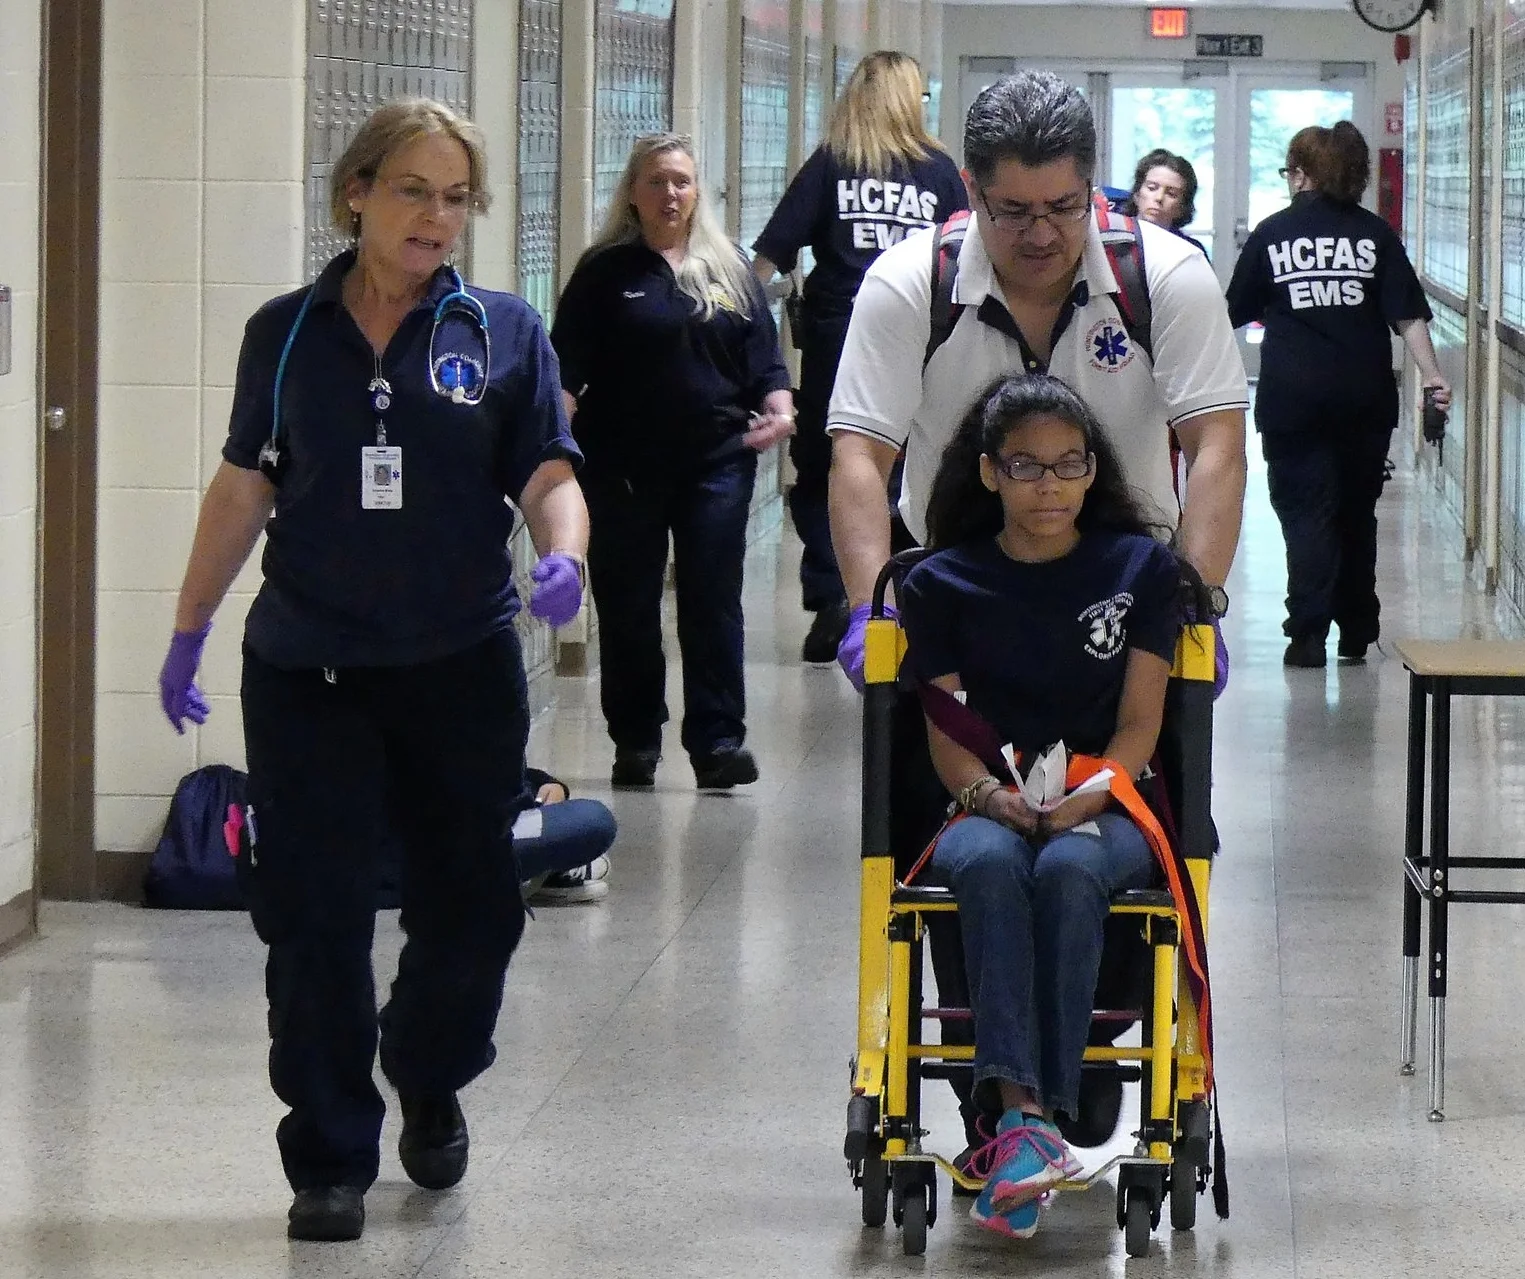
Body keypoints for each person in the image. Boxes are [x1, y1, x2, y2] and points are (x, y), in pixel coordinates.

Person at [155, 98, 588, 1243]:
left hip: (459, 664)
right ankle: (331, 1153)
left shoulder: (501, 332)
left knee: (473, 909)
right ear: (355, 192)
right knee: (313, 917)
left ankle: (428, 1067)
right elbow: (244, 485)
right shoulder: (287, 333)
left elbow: (548, 470)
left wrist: (566, 554)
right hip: (311, 669)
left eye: (456, 198)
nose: (437, 218)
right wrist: (190, 626)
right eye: (414, 191)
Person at [825, 70, 1245, 1166]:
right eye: (1012, 210)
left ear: (1092, 191)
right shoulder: (908, 285)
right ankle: (995, 1093)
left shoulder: (1166, 282)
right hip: (966, 617)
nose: (1040, 233)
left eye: (1063, 208)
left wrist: (1191, 604)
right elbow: (860, 457)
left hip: (1120, 615)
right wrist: (880, 620)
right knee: (966, 858)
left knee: (1100, 860)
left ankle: (1093, 1063)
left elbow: (1214, 447)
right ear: (971, 190)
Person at [901, 373, 1193, 1240]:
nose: (1049, 487)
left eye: (1069, 466)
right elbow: (947, 735)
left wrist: (1081, 801)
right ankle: (1024, 1118)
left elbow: (1141, 724)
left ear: (1092, 471)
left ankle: (1043, 1116)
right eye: (1026, 467)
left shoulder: (1140, 570)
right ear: (989, 473)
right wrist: (986, 796)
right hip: (978, 802)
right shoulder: (940, 583)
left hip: (1107, 800)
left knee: (1068, 868)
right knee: (989, 864)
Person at [551, 133, 795, 792]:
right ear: (633, 191)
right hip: (620, 465)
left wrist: (778, 406)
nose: (670, 194)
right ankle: (634, 738)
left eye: (682, 182)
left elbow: (764, 360)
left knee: (711, 600)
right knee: (627, 603)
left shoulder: (728, 268)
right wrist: (548, 453)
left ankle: (718, 742)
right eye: (657, 181)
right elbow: (564, 372)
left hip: (716, 460)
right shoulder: (604, 272)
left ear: (698, 193)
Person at [750, 51, 967, 662]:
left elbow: (769, 257)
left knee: (829, 465)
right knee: (903, 464)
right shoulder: (940, 171)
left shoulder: (831, 166)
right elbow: (968, 257)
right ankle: (898, 591)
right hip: (917, 339)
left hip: (835, 337)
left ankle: (834, 597)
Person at [1225, 121, 1452, 667]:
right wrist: (1433, 376)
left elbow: (1228, 314)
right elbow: (1407, 315)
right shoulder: (1375, 236)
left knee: (1305, 514)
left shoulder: (1273, 234)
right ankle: (1356, 628)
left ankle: (1306, 634)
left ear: (1301, 173)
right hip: (1363, 399)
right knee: (1356, 513)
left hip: (1291, 401)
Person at [1124, 148, 1207, 256]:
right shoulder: (1114, 238)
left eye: (1171, 194)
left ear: (1182, 207)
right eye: (1152, 188)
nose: (1159, 198)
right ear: (1137, 194)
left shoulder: (1191, 252)